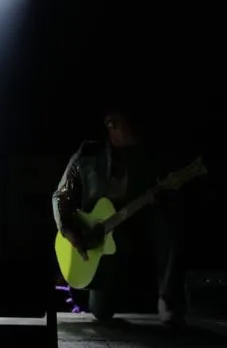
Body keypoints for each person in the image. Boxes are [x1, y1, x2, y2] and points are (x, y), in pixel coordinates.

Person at [51, 109, 186, 325]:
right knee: (102, 312)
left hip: (136, 237)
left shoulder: (148, 157)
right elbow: (61, 195)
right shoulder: (88, 155)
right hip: (101, 247)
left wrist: (164, 198)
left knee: (168, 221)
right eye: (129, 120)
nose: (136, 126)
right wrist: (70, 231)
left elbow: (166, 198)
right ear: (110, 123)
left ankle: (168, 298)